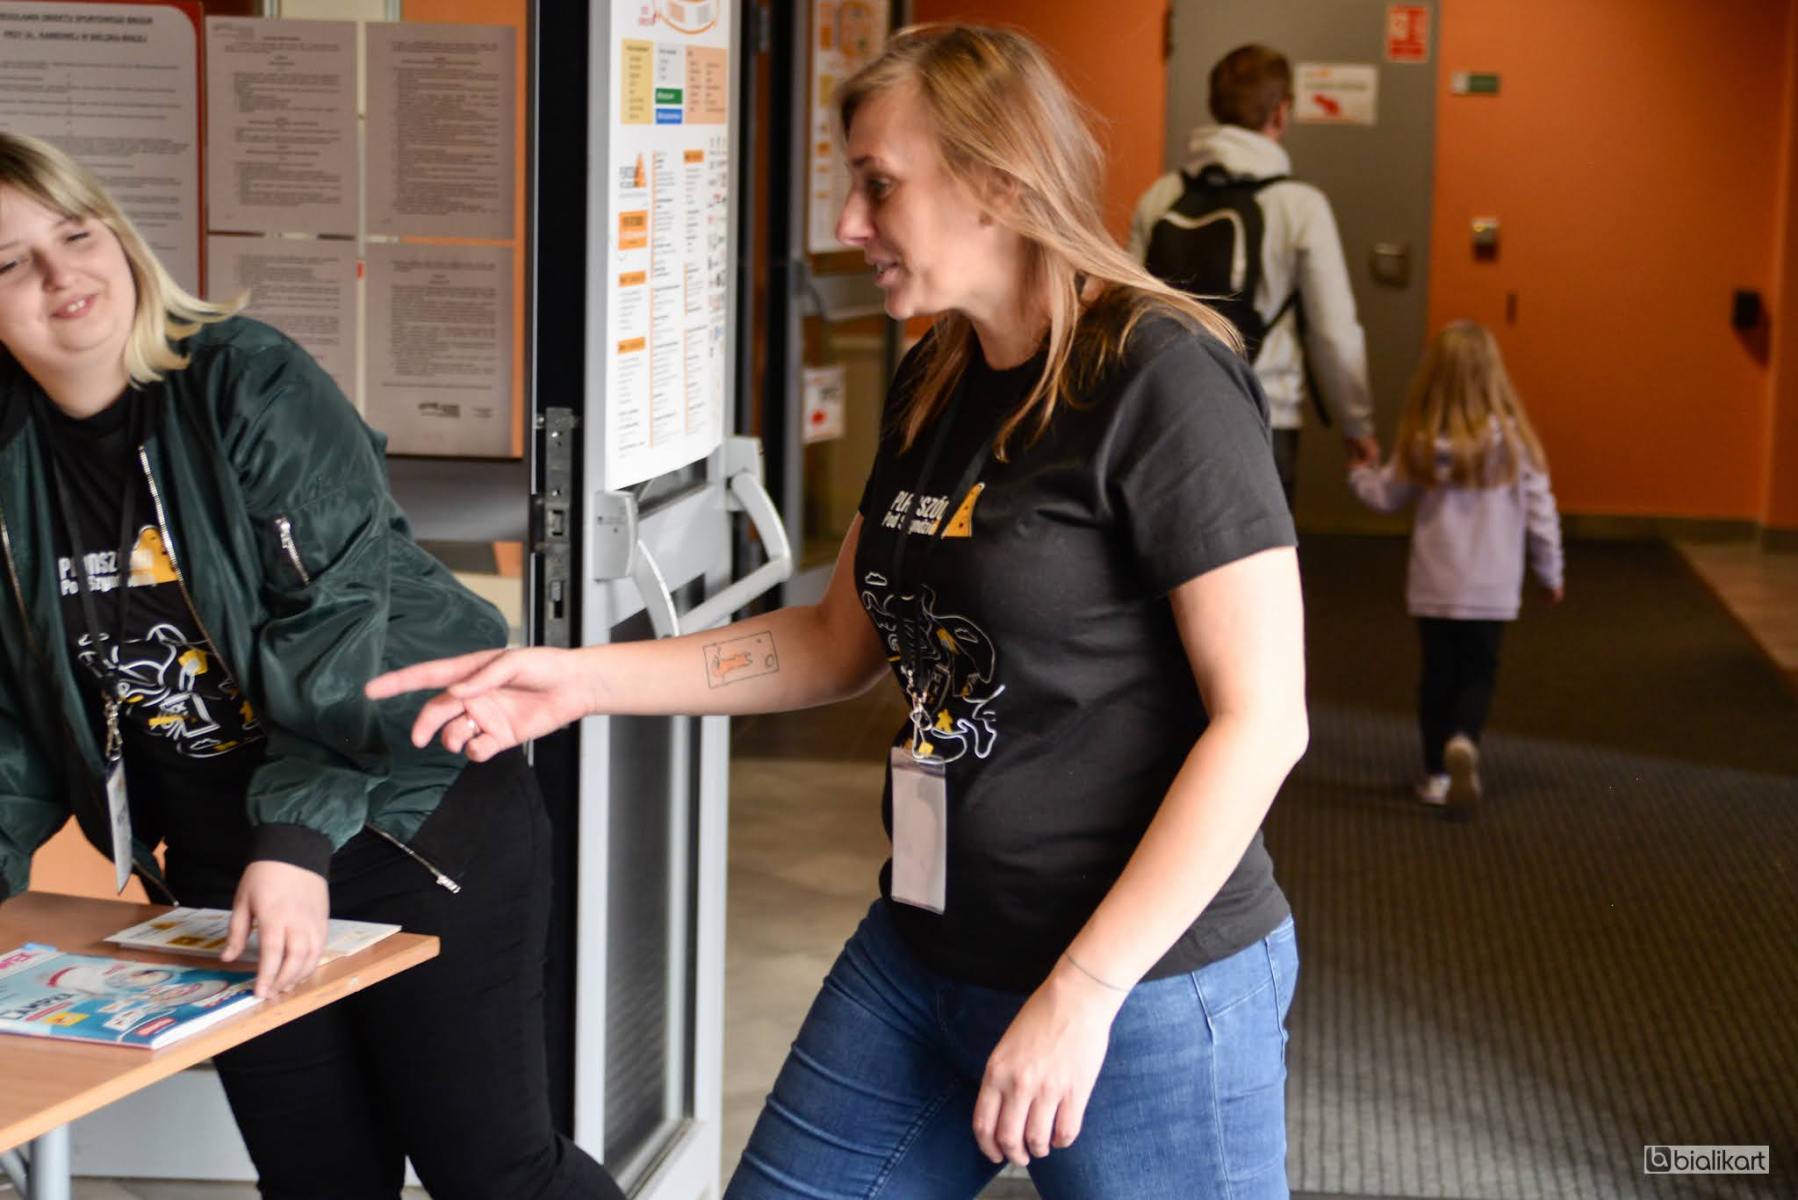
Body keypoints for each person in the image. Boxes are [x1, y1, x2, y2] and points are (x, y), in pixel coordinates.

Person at [372, 25, 1308, 1200]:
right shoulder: (938, 375)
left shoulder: (1158, 377)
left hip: (1145, 985)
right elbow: (832, 640)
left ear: (995, 181)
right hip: (929, 946)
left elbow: (1262, 722)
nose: (851, 223)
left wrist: (1081, 993)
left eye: (878, 184)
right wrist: (575, 680)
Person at [0, 132, 620, 1200]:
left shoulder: (244, 381)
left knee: (492, 1173)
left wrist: (293, 840)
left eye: (77, 232)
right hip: (219, 866)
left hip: (408, 817)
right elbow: (16, 713)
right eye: (10, 261)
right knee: (316, 1181)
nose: (63, 274)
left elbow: (335, 617)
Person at [1129, 43, 1379, 501]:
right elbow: (1334, 333)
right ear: (1281, 112)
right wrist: (1356, 423)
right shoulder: (1301, 205)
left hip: (1168, 408)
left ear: (1213, 106)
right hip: (1265, 409)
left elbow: (1129, 310)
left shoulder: (1159, 197)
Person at [1347, 320, 1564, 819]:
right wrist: (1550, 573)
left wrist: (1359, 471)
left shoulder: (1421, 442)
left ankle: (1435, 776)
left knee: (1437, 676)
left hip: (1435, 586)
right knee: (1477, 673)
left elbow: (1385, 497)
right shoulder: (1516, 445)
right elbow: (1542, 515)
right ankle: (1464, 739)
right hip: (1492, 590)